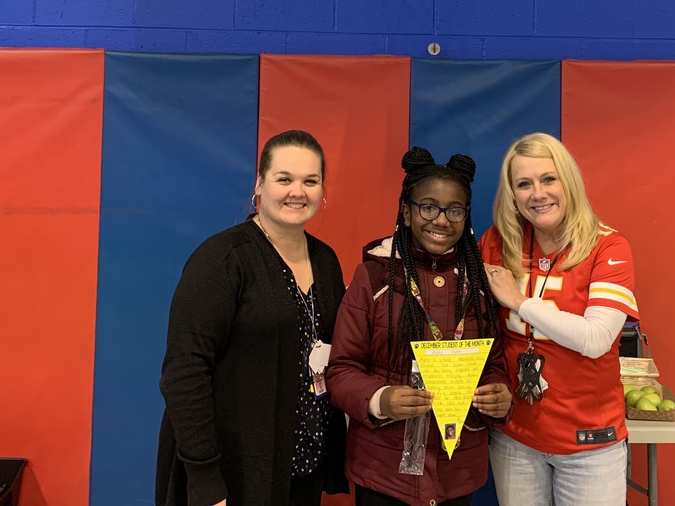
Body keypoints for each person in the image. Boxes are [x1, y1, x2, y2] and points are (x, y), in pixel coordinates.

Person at [156, 130, 348, 506]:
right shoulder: (223, 259)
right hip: (232, 475)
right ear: (260, 184)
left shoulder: (326, 261)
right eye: (284, 179)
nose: (297, 192)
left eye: (310, 181)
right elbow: (184, 373)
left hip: (302, 468)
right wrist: (205, 478)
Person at [328, 147, 513, 506]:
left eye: (454, 210)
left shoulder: (480, 282)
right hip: (383, 471)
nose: (441, 220)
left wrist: (499, 393)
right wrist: (380, 399)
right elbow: (341, 370)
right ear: (406, 212)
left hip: (457, 471)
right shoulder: (373, 277)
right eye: (428, 207)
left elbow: (494, 365)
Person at [480, 132, 640, 506]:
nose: (538, 194)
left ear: (568, 181)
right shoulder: (497, 242)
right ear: (511, 193)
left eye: (548, 179)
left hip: (589, 442)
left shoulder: (608, 246)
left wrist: (519, 302)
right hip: (515, 436)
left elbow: (595, 338)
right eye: (524, 184)